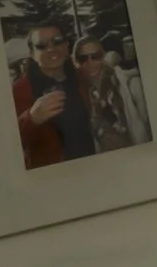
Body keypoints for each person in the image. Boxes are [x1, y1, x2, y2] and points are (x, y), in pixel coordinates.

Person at [11, 21, 95, 167]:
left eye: (57, 41)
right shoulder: (20, 90)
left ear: (66, 45)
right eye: (42, 46)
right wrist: (31, 119)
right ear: (32, 53)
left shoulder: (80, 77)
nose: (51, 49)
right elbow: (6, 144)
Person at [75, 36, 151, 153]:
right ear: (76, 62)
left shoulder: (131, 85)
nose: (90, 63)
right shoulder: (78, 94)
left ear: (104, 56)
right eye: (83, 59)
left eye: (95, 56)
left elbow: (147, 127)